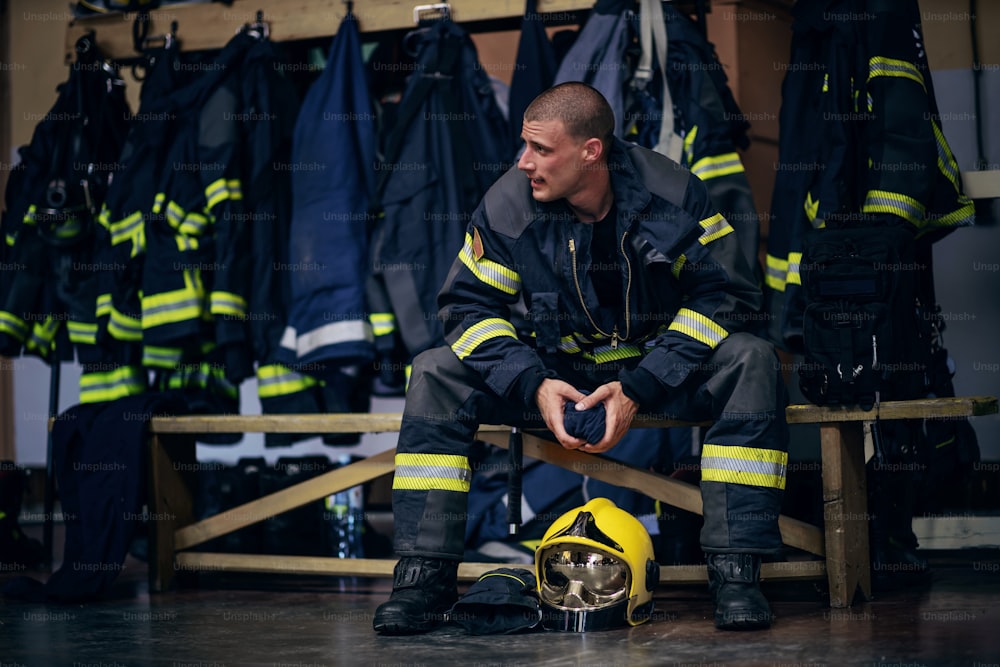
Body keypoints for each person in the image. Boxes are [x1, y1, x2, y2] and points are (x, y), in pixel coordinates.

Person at [372, 82, 789, 634]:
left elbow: (728, 297)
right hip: (555, 376)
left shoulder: (672, 192)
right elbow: (465, 310)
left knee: (751, 360)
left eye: (541, 150)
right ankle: (423, 578)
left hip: (659, 369)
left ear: (590, 151)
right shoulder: (506, 204)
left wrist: (640, 387)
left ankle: (737, 572)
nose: (524, 162)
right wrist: (533, 385)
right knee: (434, 371)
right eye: (524, 146)